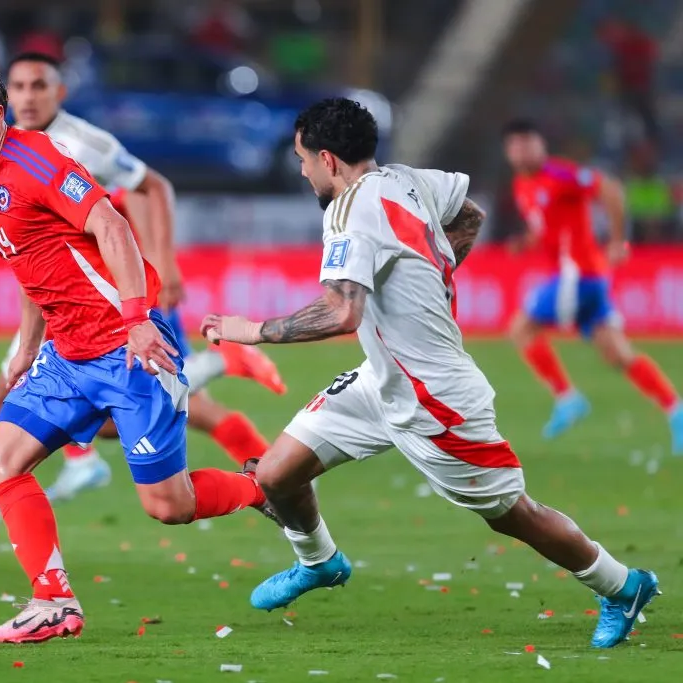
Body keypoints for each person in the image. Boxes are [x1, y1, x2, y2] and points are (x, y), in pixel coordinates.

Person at [201, 98, 659, 649]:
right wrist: (433, 278)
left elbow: (342, 311)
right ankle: (320, 562)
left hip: (435, 399)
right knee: (276, 474)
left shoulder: (349, 211)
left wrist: (248, 329)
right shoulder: (408, 180)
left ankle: (622, 585)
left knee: (514, 515)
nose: (301, 171)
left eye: (303, 159)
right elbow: (470, 214)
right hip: (384, 379)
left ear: (328, 159)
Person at [0, 53, 275, 644]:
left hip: (125, 347)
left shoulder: (35, 159)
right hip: (66, 355)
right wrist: (27, 350)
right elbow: (35, 267)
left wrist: (139, 320)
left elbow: (111, 225)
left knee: (169, 506)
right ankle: (53, 602)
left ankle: (269, 484)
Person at [502, 119, 682, 453]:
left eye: (528, 142)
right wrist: (525, 243)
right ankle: (677, 411)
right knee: (617, 353)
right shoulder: (521, 185)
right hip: (586, 279)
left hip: (579, 275)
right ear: (508, 151)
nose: (522, 150)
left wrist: (617, 241)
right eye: (515, 145)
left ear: (541, 145)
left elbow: (610, 189)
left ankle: (567, 398)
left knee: (521, 328)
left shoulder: (561, 174)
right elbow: (543, 226)